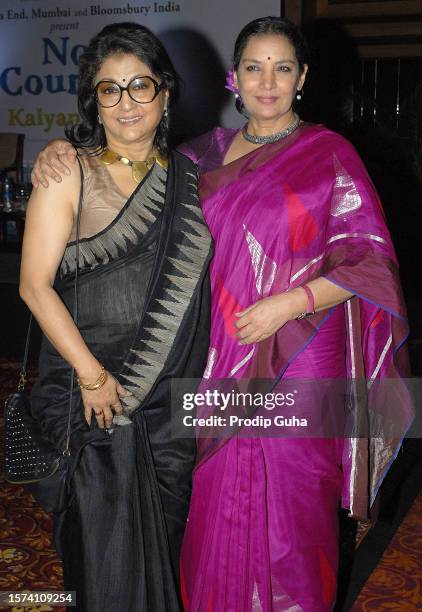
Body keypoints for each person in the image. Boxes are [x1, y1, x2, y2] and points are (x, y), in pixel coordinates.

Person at [32, 16, 412, 612]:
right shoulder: (197, 156)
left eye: (282, 68)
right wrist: (60, 149)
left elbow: (372, 261)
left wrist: (292, 302)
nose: (268, 82)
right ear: (235, 78)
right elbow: (118, 167)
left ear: (302, 77)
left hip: (300, 354)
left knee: (291, 511)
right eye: (255, 68)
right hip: (213, 355)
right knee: (209, 505)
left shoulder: (330, 153)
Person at [20, 22, 212, 612]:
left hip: (171, 405)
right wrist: (92, 374)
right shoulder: (68, 171)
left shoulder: (198, 174)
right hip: (92, 398)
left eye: (140, 86)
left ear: (166, 94)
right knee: (105, 568)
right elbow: (33, 285)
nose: (127, 103)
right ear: (93, 101)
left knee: (166, 555)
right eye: (110, 90)